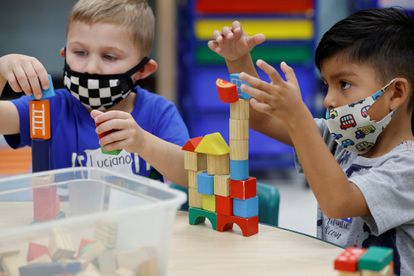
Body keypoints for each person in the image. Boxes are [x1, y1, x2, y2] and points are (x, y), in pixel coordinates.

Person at [208, 8, 414, 275]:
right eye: (326, 85)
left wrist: (298, 116)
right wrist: (238, 60)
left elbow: (338, 202)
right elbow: (259, 118)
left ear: (396, 93)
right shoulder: (342, 138)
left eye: (344, 84)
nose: (328, 99)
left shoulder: (407, 167)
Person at [0, 0, 189, 186]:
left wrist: (143, 142)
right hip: (64, 217)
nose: (91, 68)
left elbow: (192, 177)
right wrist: (1, 72)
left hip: (135, 216)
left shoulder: (158, 112)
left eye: (109, 56)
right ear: (65, 55)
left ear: (143, 70)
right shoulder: (48, 107)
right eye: (80, 52)